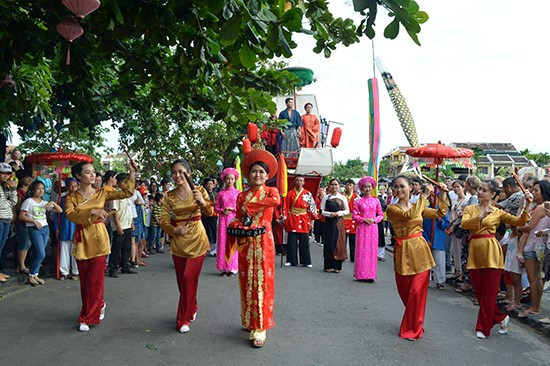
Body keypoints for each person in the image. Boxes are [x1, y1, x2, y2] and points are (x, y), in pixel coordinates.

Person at [66, 161, 135, 331]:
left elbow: (126, 192)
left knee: (95, 280)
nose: (92, 175)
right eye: (88, 172)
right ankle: (98, 305)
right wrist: (91, 212)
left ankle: (87, 316)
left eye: (93, 172)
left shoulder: (102, 193)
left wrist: (132, 173)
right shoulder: (71, 197)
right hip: (82, 239)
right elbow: (70, 215)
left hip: (99, 238)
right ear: (78, 176)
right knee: (85, 279)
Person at [460, 179, 532, 339]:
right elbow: (464, 224)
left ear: (493, 194)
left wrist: (526, 205)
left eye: (484, 190)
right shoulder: (470, 209)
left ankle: (482, 328)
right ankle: (500, 317)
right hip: (475, 252)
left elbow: (519, 222)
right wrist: (481, 216)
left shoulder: (498, 211)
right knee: (479, 293)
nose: (480, 192)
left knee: (489, 295)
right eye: (479, 189)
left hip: (492, 252)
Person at [225, 150, 280, 347]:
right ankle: (249, 321)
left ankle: (261, 327)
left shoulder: (271, 192)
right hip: (247, 243)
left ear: (267, 175)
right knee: (247, 279)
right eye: (254, 172)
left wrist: (251, 207)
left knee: (263, 282)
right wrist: (236, 225)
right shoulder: (242, 196)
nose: (258, 175)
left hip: (264, 242)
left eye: (261, 172)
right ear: (248, 174)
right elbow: (239, 218)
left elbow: (276, 202)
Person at [386, 175, 449, 340]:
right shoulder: (392, 209)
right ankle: (415, 322)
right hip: (403, 251)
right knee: (407, 293)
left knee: (416, 292)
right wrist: (424, 196)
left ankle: (412, 328)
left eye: (402, 186)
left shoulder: (417, 205)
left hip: (421, 251)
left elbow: (441, 213)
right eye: (396, 187)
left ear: (409, 188)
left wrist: (441, 194)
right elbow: (409, 216)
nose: (399, 190)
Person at [160, 159, 213, 334]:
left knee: (189, 279)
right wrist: (174, 229)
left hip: (197, 239)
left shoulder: (200, 190)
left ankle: (183, 319)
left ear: (189, 173)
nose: (177, 176)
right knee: (182, 282)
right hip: (179, 242)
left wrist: (203, 202)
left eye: (181, 172)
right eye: (174, 172)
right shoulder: (169, 196)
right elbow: (162, 220)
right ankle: (192, 305)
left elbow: (211, 212)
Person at [516, 180, 550, 318]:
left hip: (534, 244)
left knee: (534, 277)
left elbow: (529, 226)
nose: (534, 192)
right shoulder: (539, 206)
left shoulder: (541, 207)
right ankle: (535, 305)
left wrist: (518, 228)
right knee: (536, 277)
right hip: (537, 244)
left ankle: (535, 306)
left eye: (537, 190)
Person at [19, 179, 63, 286]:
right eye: (38, 189)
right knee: (41, 254)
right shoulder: (28, 202)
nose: (41, 191)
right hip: (34, 229)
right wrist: (33, 221)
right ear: (33, 190)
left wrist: (52, 203)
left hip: (45, 229)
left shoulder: (44, 203)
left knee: (39, 253)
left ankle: (35, 275)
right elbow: (21, 216)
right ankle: (31, 274)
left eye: (42, 189)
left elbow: (60, 210)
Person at [352, 176, 384, 282]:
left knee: (372, 250)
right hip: (362, 228)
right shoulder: (358, 202)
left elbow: (381, 215)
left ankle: (370, 275)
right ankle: (360, 274)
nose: (367, 189)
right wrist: (363, 219)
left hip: (373, 228)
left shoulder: (376, 201)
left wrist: (374, 220)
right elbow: (354, 216)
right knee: (361, 250)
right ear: (362, 188)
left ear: (372, 188)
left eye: (369, 187)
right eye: (365, 187)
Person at [283, 175, 317, 267]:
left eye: (301, 180)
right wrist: (285, 218)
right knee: (292, 239)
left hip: (304, 218)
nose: (299, 182)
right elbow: (285, 207)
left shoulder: (308, 194)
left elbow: (312, 207)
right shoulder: (290, 193)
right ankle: (291, 260)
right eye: (297, 180)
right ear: (294, 182)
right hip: (293, 217)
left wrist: (312, 219)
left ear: (304, 182)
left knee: (304, 240)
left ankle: (306, 261)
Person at [108, 173, 138, 277]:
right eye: (124, 181)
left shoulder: (127, 194)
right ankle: (112, 268)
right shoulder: (115, 194)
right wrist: (118, 225)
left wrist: (132, 223)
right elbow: (114, 211)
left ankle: (125, 266)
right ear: (119, 182)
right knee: (116, 247)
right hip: (120, 225)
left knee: (127, 247)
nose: (126, 184)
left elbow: (129, 209)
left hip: (128, 224)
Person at [214, 168, 240, 276]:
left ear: (235, 180)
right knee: (222, 243)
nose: (229, 181)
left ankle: (232, 267)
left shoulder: (239, 193)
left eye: (232, 179)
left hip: (233, 220)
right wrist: (222, 210)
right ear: (224, 180)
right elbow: (216, 208)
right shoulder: (221, 193)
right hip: (223, 220)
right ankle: (223, 267)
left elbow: (241, 208)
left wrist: (233, 210)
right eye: (228, 179)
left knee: (233, 243)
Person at [422, 194, 451, 290]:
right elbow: (421, 225)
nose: (431, 198)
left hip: (438, 239)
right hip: (427, 237)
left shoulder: (442, 210)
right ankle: (426, 280)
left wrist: (440, 220)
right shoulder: (426, 210)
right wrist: (426, 239)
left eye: (433, 197)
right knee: (426, 261)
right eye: (430, 196)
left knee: (439, 261)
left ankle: (440, 281)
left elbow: (446, 224)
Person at [320, 179, 349, 273]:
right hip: (329, 222)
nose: (334, 186)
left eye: (336, 184)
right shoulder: (326, 197)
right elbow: (321, 211)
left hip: (339, 222)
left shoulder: (342, 197)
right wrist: (329, 214)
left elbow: (347, 210)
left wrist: (340, 213)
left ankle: (337, 266)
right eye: (332, 184)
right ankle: (328, 265)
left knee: (339, 243)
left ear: (339, 186)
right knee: (329, 242)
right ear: (329, 186)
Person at [54, 178, 79, 280]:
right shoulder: (62, 199)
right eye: (71, 186)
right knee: (64, 249)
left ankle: (75, 271)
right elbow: (57, 215)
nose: (73, 188)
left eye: (75, 186)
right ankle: (64, 271)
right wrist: (56, 228)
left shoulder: (81, 199)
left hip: (76, 226)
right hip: (64, 226)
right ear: (67, 187)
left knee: (75, 250)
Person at [0, 163, 17, 283]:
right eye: (3, 173)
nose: (5, 176)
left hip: (6, 218)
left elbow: (14, 201)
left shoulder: (6, 187)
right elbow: (2, 205)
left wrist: (13, 189)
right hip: (0, 218)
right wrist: (8, 203)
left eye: (8, 174)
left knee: (2, 246)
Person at [14, 170, 33, 274]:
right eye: (26, 177)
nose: (29, 179)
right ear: (21, 179)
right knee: (24, 242)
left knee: (27, 243)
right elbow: (18, 208)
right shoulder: (19, 193)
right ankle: (21, 265)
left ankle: (22, 264)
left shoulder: (30, 192)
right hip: (21, 221)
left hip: (29, 221)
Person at [343, 180, 359, 263]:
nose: (349, 187)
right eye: (347, 185)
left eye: (350, 185)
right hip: (343, 219)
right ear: (345, 186)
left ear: (353, 186)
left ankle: (353, 257)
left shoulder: (357, 198)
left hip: (353, 220)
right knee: (342, 239)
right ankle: (341, 256)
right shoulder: (341, 196)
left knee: (353, 240)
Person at [201, 178, 218, 256]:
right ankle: (204, 248)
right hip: (205, 215)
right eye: (208, 184)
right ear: (205, 185)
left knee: (214, 232)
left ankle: (213, 250)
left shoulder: (216, 194)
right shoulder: (202, 194)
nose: (209, 186)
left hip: (214, 216)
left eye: (211, 184)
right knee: (205, 232)